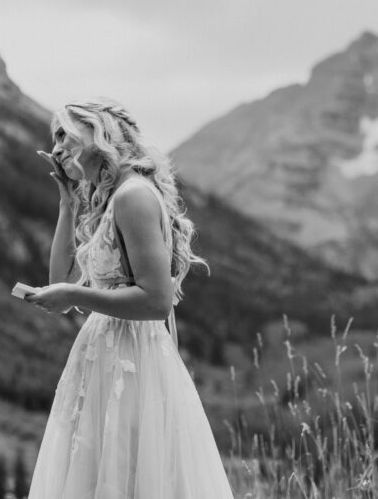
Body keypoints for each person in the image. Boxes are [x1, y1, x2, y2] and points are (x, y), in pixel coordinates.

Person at [24, 97, 234, 498]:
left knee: (132, 476)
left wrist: (73, 293)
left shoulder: (132, 196)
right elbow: (61, 280)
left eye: (65, 134)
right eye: (53, 139)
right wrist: (68, 205)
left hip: (131, 360)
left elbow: (156, 302)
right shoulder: (110, 198)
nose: (56, 148)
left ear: (100, 132)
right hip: (106, 357)